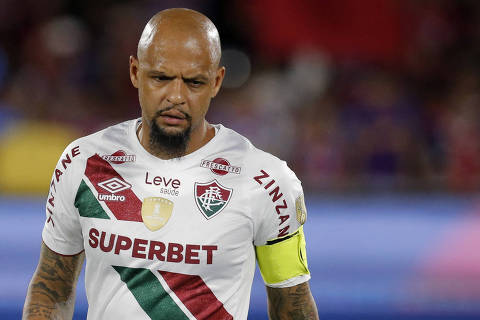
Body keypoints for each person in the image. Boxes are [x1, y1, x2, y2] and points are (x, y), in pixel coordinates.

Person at [23, 8, 319, 320]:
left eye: (194, 82)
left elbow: (294, 306)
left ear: (217, 82)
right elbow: (52, 288)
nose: (176, 96)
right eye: (161, 78)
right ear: (135, 72)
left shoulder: (266, 182)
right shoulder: (84, 162)